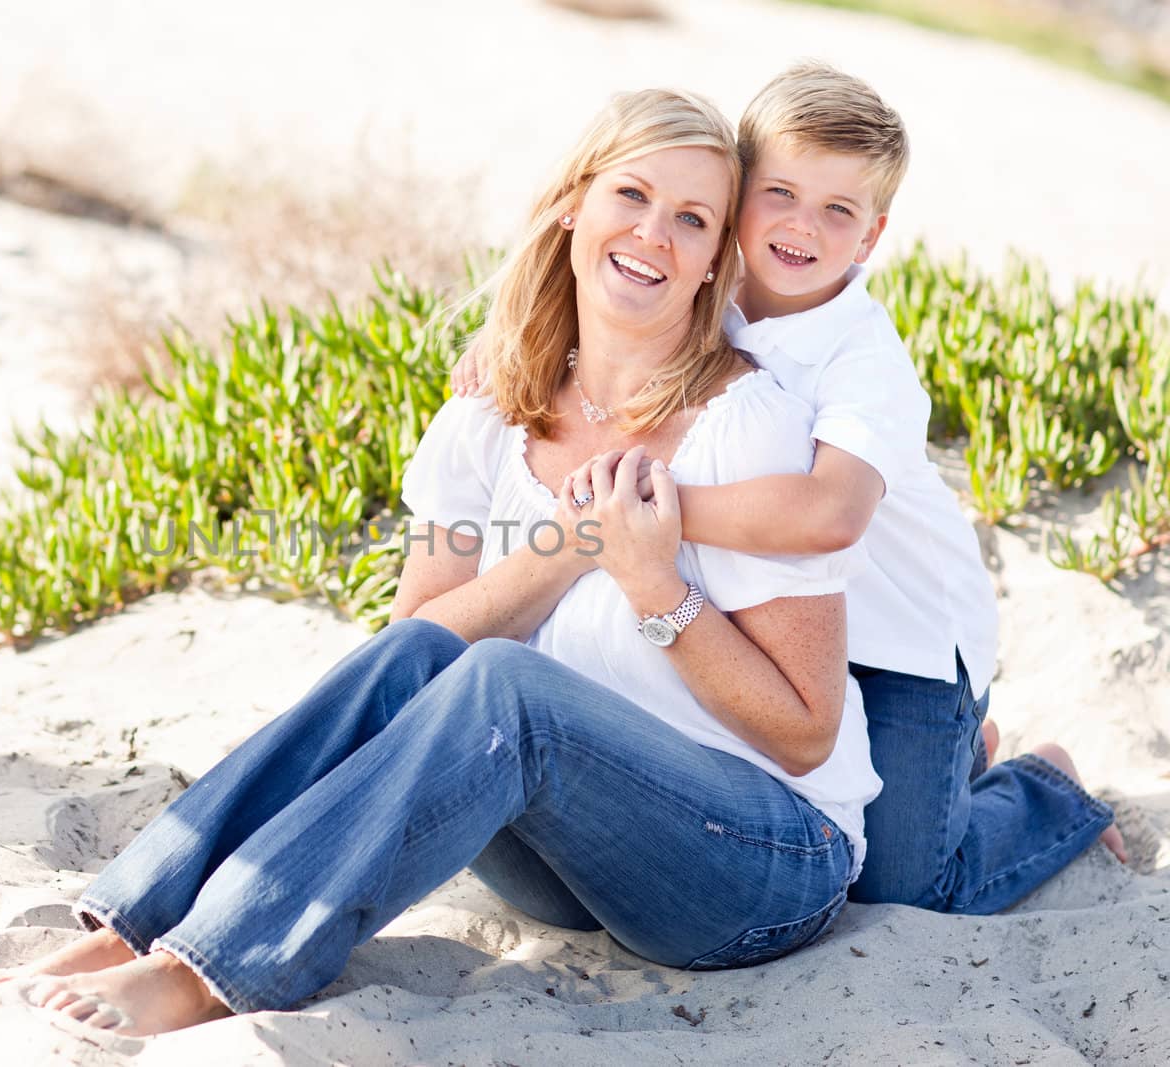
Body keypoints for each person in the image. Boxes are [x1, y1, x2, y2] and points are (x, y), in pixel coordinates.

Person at [0, 88, 882, 1036]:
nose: (653, 235)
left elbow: (806, 735)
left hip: (760, 865)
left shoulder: (748, 429)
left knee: (507, 685)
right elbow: (415, 649)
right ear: (575, 203)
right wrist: (568, 549)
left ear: (713, 265)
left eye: (692, 220)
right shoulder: (486, 416)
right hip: (570, 861)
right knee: (415, 660)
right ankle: (135, 926)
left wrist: (657, 584)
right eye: (632, 196)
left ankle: (207, 973)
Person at [454, 62, 1125, 914]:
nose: (802, 227)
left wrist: (639, 513)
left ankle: (1041, 786)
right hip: (798, 626)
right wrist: (506, 339)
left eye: (838, 211)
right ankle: (958, 764)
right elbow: (601, 301)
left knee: (907, 887)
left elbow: (830, 512)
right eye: (780, 193)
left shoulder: (863, 361)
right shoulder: (711, 291)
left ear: (872, 236)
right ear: (737, 200)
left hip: (903, 646)